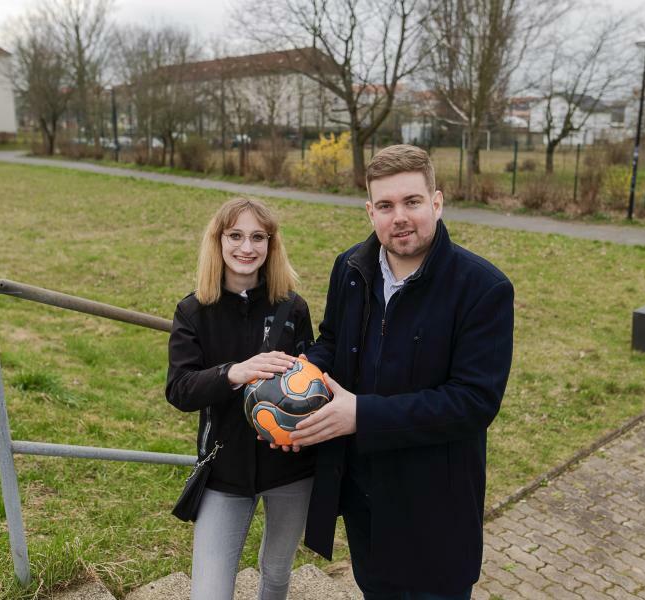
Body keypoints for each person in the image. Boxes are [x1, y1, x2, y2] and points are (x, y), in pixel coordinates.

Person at [288, 145, 515, 599]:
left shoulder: (483, 288)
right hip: (365, 497)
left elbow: (473, 402)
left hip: (436, 506)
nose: (400, 218)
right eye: (386, 206)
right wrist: (295, 382)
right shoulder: (350, 267)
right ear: (370, 210)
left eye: (412, 202)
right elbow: (332, 340)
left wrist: (362, 416)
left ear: (437, 202)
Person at [166, 197, 315, 600]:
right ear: (218, 241)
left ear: (271, 244)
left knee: (277, 571)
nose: (246, 248)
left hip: (291, 467)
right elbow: (179, 389)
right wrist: (234, 372)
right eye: (235, 236)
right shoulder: (194, 311)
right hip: (224, 470)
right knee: (210, 591)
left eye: (257, 237)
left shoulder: (292, 307)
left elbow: (312, 378)